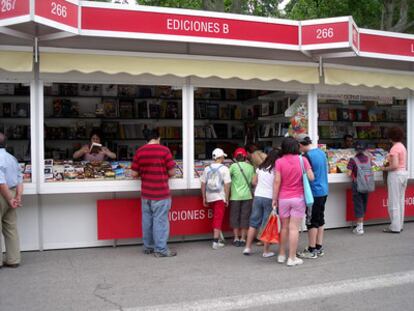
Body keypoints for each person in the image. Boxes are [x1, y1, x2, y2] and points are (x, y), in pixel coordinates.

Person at [131, 129, 177, 257]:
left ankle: (148, 247)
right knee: (160, 222)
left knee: (147, 221)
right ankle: (161, 250)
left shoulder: (140, 151)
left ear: (146, 139)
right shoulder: (164, 151)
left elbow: (134, 173)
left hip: (146, 193)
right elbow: (172, 172)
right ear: (158, 138)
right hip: (161, 193)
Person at [273, 137, 314, 267]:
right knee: (294, 228)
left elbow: (277, 182)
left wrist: (274, 199)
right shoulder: (303, 160)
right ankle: (292, 257)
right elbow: (311, 177)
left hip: (283, 199)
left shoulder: (279, 162)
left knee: (284, 227)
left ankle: (281, 254)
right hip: (298, 198)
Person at [296, 134, 329, 258]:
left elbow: (307, 176)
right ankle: (319, 246)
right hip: (323, 190)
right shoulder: (321, 153)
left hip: (313, 192)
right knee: (320, 219)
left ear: (300, 145)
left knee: (311, 221)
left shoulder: (306, 157)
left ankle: (311, 249)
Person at [243, 149, 280, 257]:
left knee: (253, 223)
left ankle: (247, 247)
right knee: (266, 224)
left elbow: (254, 182)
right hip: (269, 198)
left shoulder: (260, 168)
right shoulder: (276, 169)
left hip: (258, 196)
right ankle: (266, 251)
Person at [0, 132, 24, 269]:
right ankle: (13, 259)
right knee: (11, 227)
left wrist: (9, 198)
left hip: (3, 194)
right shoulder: (12, 158)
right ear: (6, 144)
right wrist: (17, 197)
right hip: (13, 192)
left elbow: (0, 182)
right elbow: (20, 178)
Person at [200, 148, 231, 249]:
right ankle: (215, 242)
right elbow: (227, 185)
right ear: (221, 157)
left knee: (215, 217)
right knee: (218, 218)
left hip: (210, 196)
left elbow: (203, 183)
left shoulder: (207, 168)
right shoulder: (225, 169)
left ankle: (219, 238)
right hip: (220, 196)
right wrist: (226, 198)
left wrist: (204, 197)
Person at [381, 127, 408, 233]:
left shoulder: (394, 148)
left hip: (395, 175)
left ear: (390, 137)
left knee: (393, 202)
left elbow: (395, 165)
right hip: (403, 174)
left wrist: (384, 168)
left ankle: (394, 227)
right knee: (401, 201)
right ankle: (400, 225)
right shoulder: (402, 146)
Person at [229, 147, 255, 247]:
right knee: (245, 217)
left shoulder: (233, 166)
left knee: (235, 217)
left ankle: (236, 238)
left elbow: (227, 178)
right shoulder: (250, 167)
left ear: (235, 157)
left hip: (235, 196)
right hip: (247, 196)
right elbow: (253, 182)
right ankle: (243, 238)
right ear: (245, 157)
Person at [346, 141, 373, 235]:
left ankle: (360, 227)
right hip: (367, 184)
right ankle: (360, 224)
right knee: (364, 203)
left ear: (355, 149)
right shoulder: (369, 159)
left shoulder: (353, 160)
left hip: (357, 185)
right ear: (365, 149)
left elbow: (349, 173)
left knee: (358, 205)